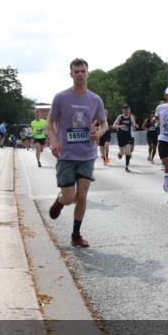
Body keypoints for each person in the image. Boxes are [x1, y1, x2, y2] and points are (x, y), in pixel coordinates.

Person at [47, 58, 107, 248]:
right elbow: (50, 123)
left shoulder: (95, 99)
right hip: (66, 155)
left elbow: (104, 123)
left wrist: (99, 132)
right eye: (76, 71)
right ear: (71, 74)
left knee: (82, 195)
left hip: (87, 155)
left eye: (83, 71)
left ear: (88, 74)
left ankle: (76, 234)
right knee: (69, 198)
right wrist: (54, 140)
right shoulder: (61, 98)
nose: (80, 74)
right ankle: (59, 201)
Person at [112, 105, 137, 172]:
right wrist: (120, 126)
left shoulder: (131, 117)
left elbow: (134, 125)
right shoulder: (120, 117)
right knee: (122, 152)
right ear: (122, 110)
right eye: (125, 109)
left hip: (128, 136)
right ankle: (120, 153)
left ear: (129, 110)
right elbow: (113, 126)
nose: (126, 111)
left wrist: (135, 126)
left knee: (128, 151)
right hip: (120, 136)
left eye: (127, 109)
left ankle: (127, 166)